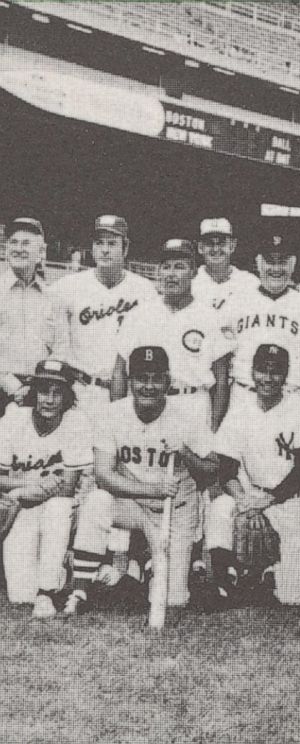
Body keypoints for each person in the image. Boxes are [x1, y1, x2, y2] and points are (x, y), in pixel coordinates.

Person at [65, 346, 217, 616]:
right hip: (134, 505)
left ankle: (145, 565)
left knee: (175, 601)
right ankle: (80, 589)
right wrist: (151, 490)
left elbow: (211, 471)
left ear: (168, 381)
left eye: (156, 378)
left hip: (176, 511)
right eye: (141, 378)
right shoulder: (112, 414)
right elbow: (103, 475)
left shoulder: (188, 417)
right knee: (97, 502)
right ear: (129, 381)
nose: (148, 386)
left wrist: (184, 452)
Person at [205, 344, 300, 607]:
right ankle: (225, 585)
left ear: (286, 375)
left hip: (295, 501)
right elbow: (226, 470)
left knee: (291, 598)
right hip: (254, 494)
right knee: (222, 506)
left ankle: (266, 571)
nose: (268, 379)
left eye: (275, 372)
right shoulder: (240, 409)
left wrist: (267, 501)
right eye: (262, 371)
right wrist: (246, 501)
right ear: (252, 372)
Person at [0, 361, 92, 617]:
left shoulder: (76, 421)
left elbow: (67, 487)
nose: (49, 400)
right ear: (33, 393)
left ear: (67, 396)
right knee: (19, 594)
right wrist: (27, 486)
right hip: (23, 504)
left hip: (64, 507)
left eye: (57, 392)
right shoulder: (14, 417)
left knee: (58, 507)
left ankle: (47, 591)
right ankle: (62, 571)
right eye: (43, 390)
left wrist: (24, 490)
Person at [113, 239, 233, 432]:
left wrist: (215, 424)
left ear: (194, 272)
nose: (171, 274)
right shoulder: (138, 314)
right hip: (147, 406)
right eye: (166, 267)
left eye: (179, 267)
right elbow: (120, 371)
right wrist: (117, 416)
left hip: (192, 403)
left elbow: (220, 381)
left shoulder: (211, 317)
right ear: (158, 271)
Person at [49, 215, 159, 420]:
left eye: (112, 243)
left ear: (125, 248)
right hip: (79, 390)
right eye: (99, 243)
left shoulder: (145, 290)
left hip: (124, 393)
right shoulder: (67, 286)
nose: (105, 249)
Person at [222, 235, 300, 413]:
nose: (276, 269)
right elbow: (222, 361)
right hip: (243, 397)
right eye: (270, 262)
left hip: (290, 398)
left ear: (293, 264)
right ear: (258, 262)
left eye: (283, 262)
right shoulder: (236, 302)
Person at [0, 218, 54, 411]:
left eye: (26, 243)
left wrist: (36, 387)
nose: (18, 248)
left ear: (40, 253)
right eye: (13, 242)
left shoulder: (52, 296)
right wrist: (13, 387)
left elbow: (59, 347)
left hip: (39, 392)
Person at [191, 217, 259, 312]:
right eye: (209, 243)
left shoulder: (249, 283)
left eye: (221, 243)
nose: (215, 249)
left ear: (232, 245)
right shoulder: (189, 282)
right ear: (200, 247)